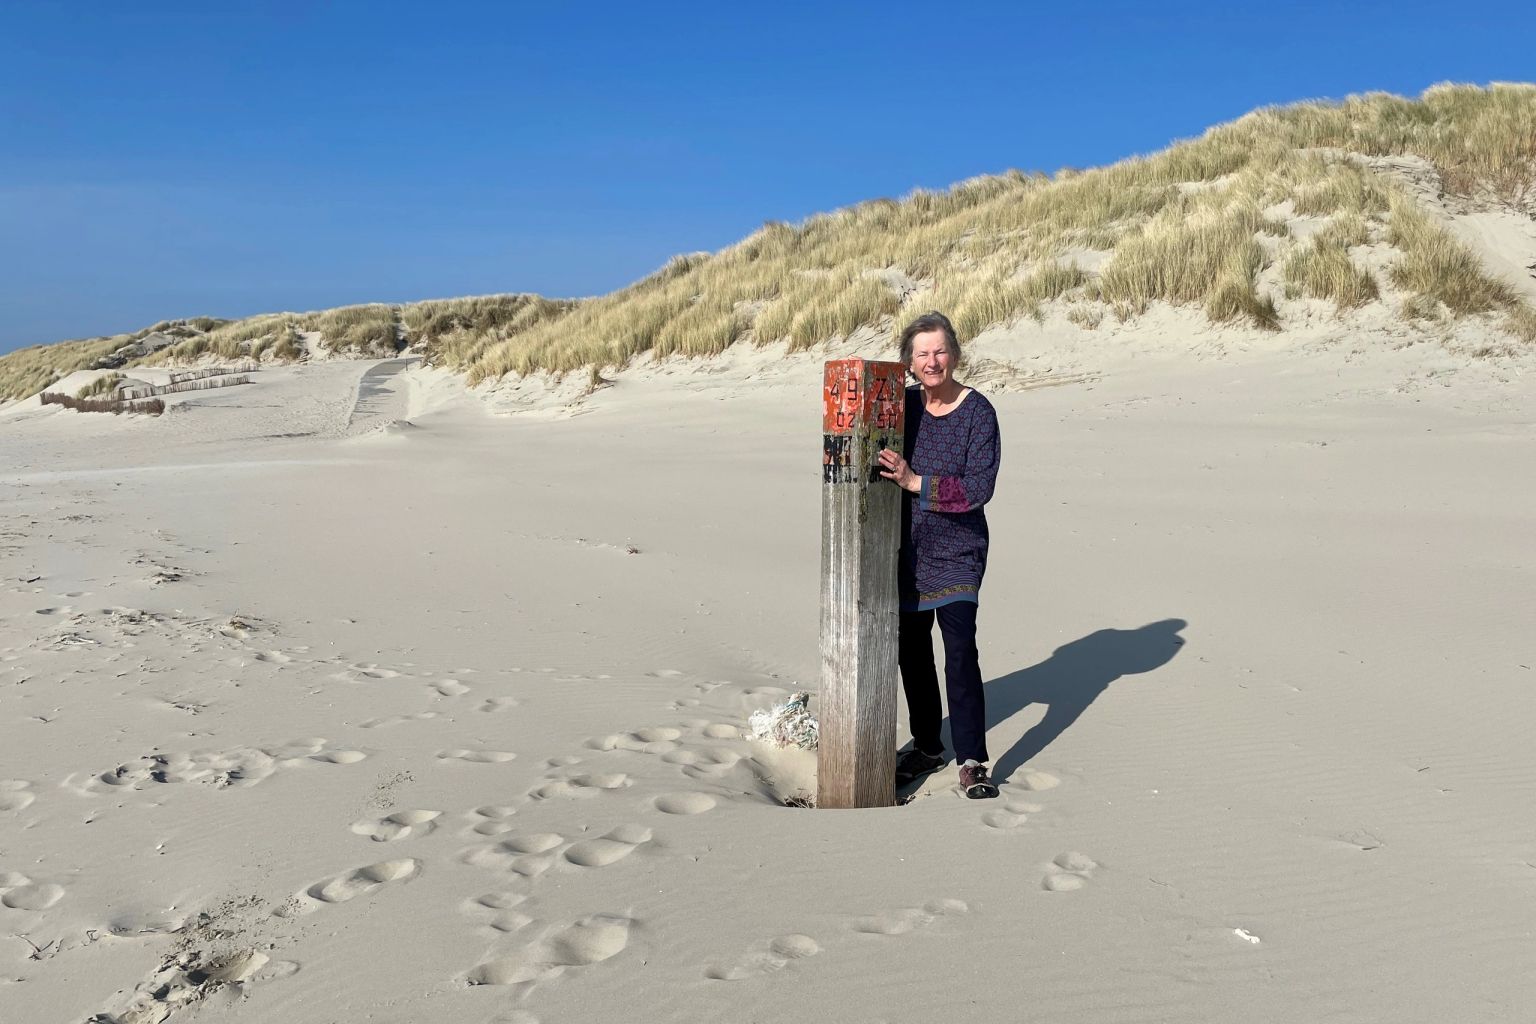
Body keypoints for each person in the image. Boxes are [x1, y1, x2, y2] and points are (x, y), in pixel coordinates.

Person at [877, 311, 1002, 799]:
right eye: (922, 354)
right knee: (913, 654)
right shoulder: (901, 407)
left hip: (959, 552)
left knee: (959, 654)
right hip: (906, 551)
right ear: (909, 362)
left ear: (955, 353)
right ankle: (928, 745)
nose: (932, 362)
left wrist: (915, 482)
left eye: (940, 351)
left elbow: (979, 487)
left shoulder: (979, 412)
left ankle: (972, 758)